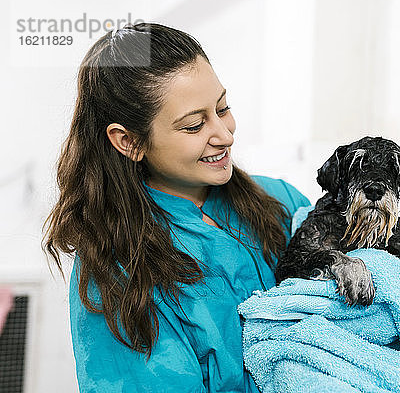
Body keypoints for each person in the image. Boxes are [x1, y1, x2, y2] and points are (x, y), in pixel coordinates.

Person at [42, 23, 311, 392]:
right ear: (129, 142)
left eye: (223, 108)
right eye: (195, 125)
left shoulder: (283, 201)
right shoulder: (121, 268)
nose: (225, 134)